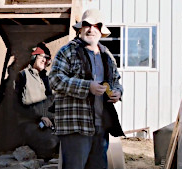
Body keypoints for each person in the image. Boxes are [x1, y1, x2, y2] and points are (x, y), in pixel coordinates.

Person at [49, 9, 124, 169]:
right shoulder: (67, 51)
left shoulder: (107, 55)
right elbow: (55, 80)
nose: (91, 29)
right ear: (80, 29)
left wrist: (118, 92)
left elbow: (116, 81)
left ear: (101, 31)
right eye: (87, 25)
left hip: (101, 125)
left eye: (96, 26)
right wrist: (87, 86)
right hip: (75, 126)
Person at [15, 42, 59, 160]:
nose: (45, 60)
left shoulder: (48, 78)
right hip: (29, 123)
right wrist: (39, 117)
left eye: (47, 58)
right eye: (42, 57)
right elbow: (17, 106)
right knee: (52, 141)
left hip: (47, 123)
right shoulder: (23, 75)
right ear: (34, 57)